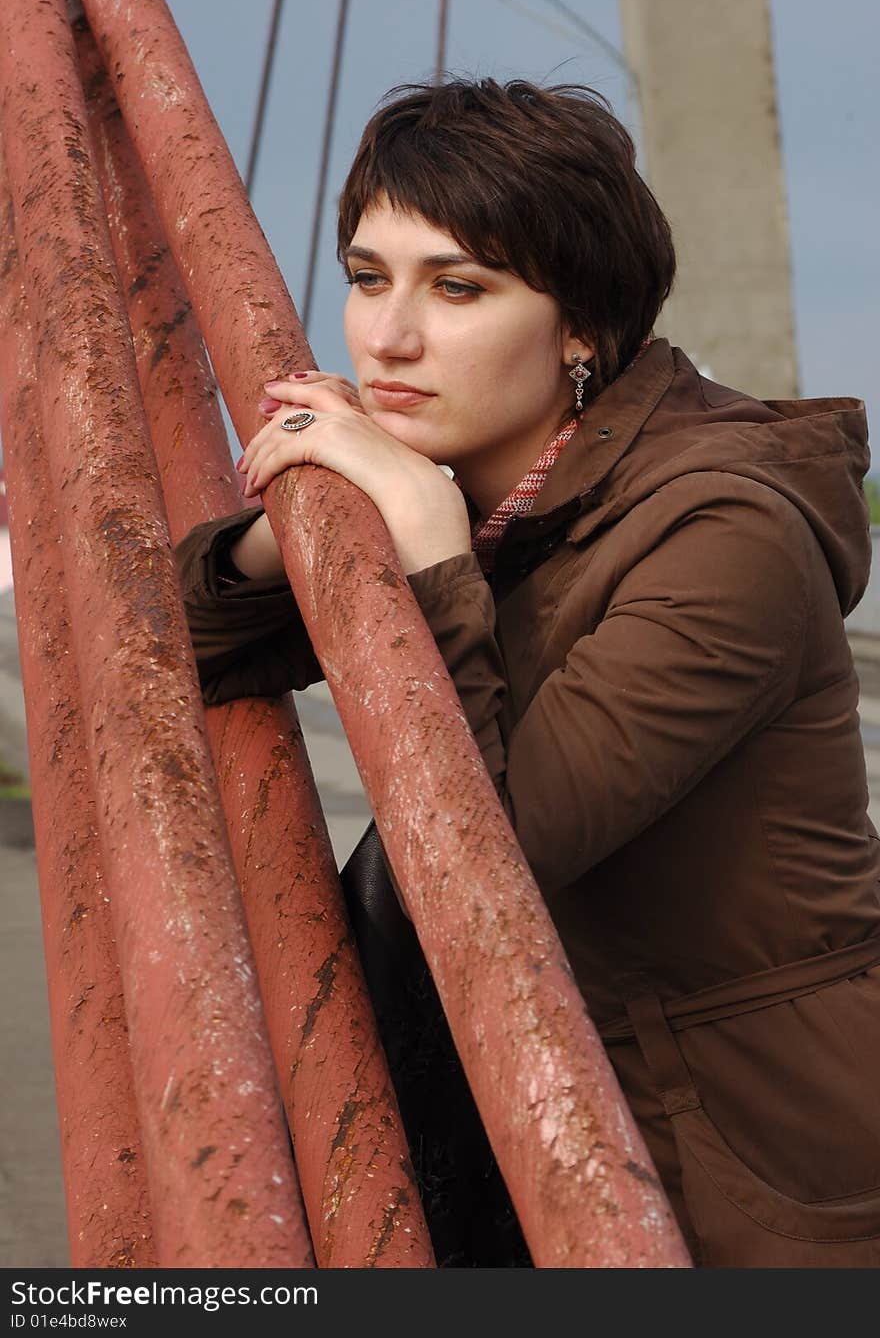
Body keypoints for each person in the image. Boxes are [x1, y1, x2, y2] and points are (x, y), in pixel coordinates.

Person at [176, 79, 880, 1268]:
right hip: (550, 1084)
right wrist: (289, 511)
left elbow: (485, 858)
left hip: (750, 1149)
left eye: (459, 287)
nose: (388, 336)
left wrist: (431, 550)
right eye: (366, 278)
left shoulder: (725, 536)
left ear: (581, 329)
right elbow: (180, 650)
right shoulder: (496, 482)